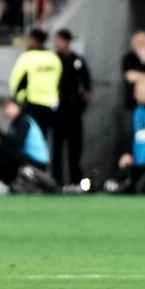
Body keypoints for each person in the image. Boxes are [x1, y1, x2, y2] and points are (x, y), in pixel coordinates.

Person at [52, 29, 92, 187]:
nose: (57, 43)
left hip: (74, 108)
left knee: (75, 147)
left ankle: (76, 181)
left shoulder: (78, 60)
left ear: (67, 41)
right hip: (58, 107)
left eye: (59, 40)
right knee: (57, 146)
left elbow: (87, 87)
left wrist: (81, 106)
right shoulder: (54, 60)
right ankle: (57, 181)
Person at [9, 28, 62, 137]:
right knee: (42, 137)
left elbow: (15, 82)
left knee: (26, 137)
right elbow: (59, 80)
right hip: (50, 106)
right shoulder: (54, 58)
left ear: (35, 40)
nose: (28, 42)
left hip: (30, 104)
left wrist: (18, 99)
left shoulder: (27, 57)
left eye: (30, 39)